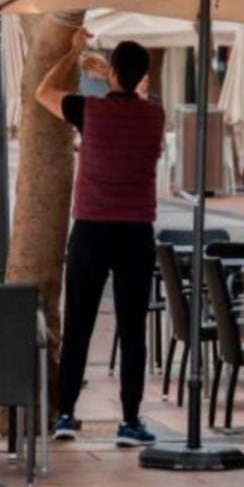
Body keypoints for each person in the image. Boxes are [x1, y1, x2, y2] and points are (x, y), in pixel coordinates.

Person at [35, 29, 164, 448]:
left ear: (111, 74)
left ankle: (66, 414)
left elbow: (43, 91)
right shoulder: (154, 115)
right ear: (143, 76)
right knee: (132, 330)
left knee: (79, 324)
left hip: (91, 228)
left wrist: (73, 52)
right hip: (136, 234)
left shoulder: (88, 110)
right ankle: (129, 420)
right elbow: (138, 99)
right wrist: (115, 76)